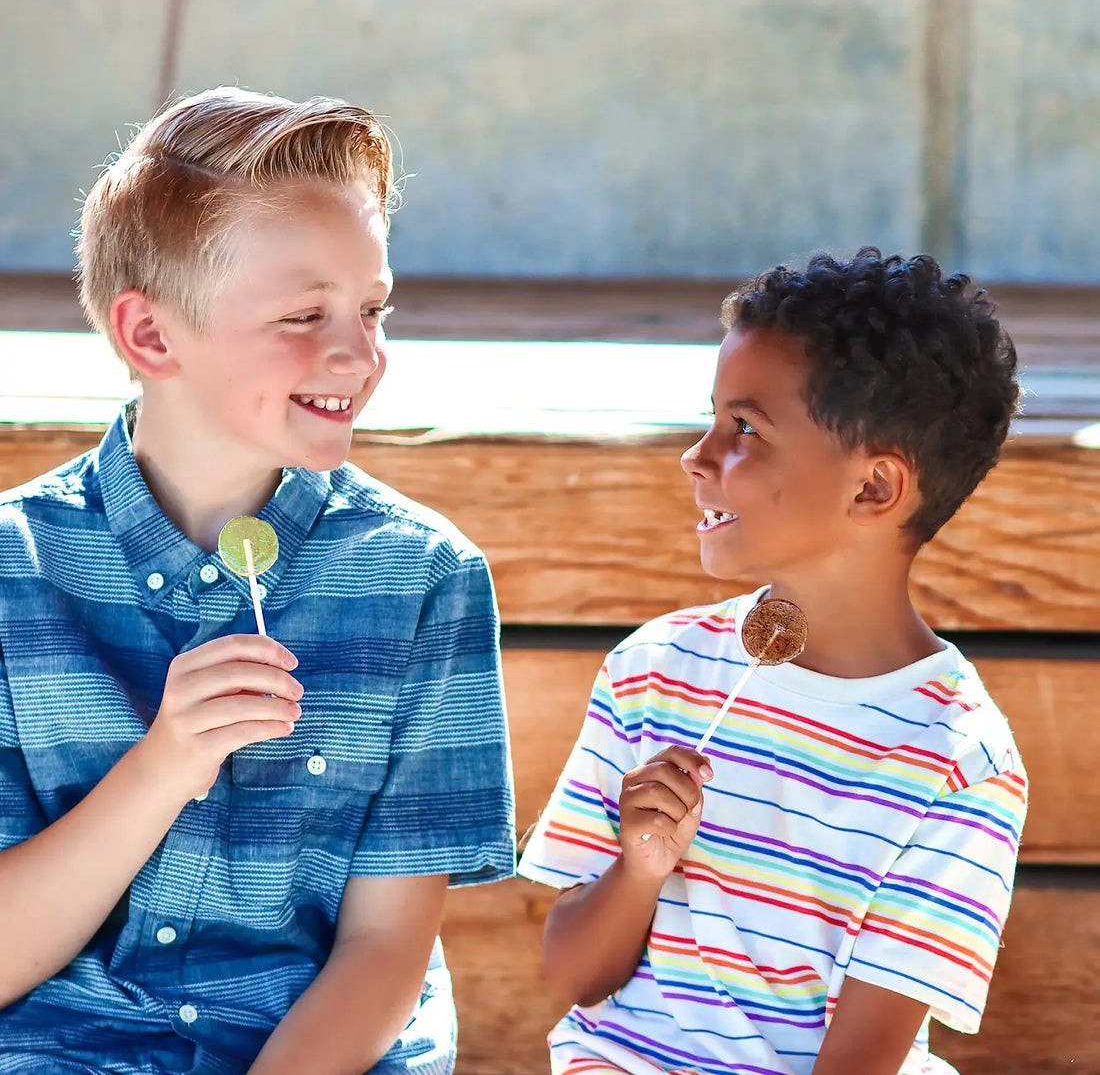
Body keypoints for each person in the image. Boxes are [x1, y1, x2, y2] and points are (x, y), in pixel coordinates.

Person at [0, 86, 514, 1074]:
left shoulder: (421, 578)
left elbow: (385, 948)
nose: (356, 353)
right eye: (302, 313)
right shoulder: (15, 570)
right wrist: (164, 764)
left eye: (371, 308)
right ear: (151, 337)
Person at [518, 248, 1027, 1075]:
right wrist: (641, 869)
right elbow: (574, 973)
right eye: (714, 420)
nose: (697, 455)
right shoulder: (654, 670)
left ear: (873, 490)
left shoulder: (958, 761)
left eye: (745, 429)